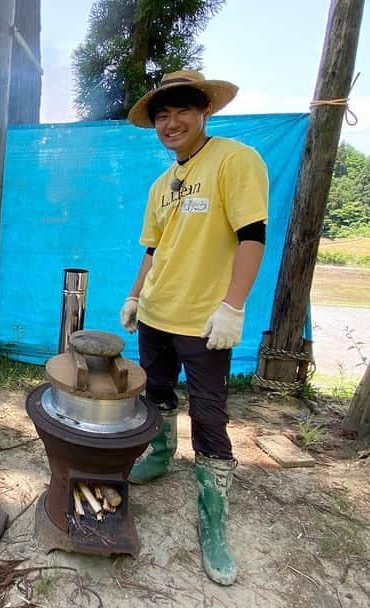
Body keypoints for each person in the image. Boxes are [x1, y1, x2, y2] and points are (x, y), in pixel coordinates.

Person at [119, 71, 268, 586]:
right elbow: (154, 249)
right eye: (161, 115)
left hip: (205, 318)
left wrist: (233, 306)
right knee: (156, 393)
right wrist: (136, 294)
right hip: (158, 313)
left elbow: (252, 235)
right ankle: (159, 455)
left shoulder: (234, 160)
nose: (171, 122)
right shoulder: (162, 185)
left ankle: (212, 517)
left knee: (209, 413)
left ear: (204, 110)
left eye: (182, 110)